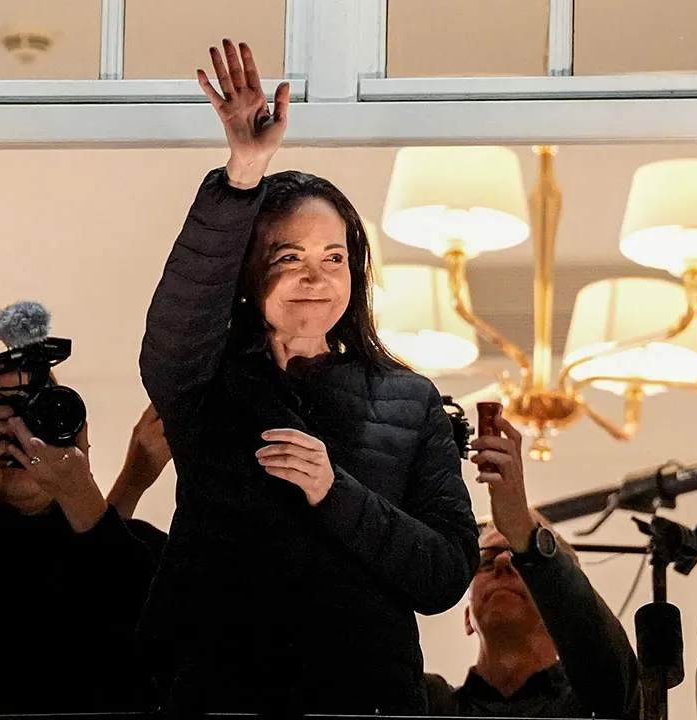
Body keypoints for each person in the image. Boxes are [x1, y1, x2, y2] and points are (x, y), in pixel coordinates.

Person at [137, 38, 480, 715]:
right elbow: (179, 317)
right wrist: (244, 172)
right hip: (219, 697)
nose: (314, 277)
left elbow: (444, 575)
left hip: (365, 702)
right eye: (288, 256)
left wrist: (335, 491)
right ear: (247, 273)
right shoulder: (203, 381)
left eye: (333, 258)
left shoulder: (410, 401)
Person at [0, 372, 168, 717]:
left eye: (35, 417)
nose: (20, 435)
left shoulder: (128, 546)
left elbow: (151, 648)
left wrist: (81, 492)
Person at [424, 415, 642, 719]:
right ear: (467, 618)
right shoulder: (429, 705)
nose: (502, 561)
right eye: (486, 560)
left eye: (519, 558)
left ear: (559, 611)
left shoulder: (593, 705)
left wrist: (523, 530)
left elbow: (612, 677)